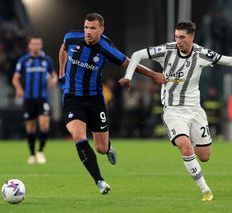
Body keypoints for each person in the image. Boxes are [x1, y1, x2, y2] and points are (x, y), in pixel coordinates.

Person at [119, 21, 232, 201]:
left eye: (182, 37)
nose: (178, 41)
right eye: (176, 37)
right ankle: (206, 190)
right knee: (185, 146)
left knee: (204, 156)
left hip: (195, 110)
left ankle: (190, 146)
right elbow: (136, 55)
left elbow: (226, 60)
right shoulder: (167, 50)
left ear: (192, 37)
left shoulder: (201, 54)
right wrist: (128, 77)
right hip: (173, 111)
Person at [58, 13, 164, 195]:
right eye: (86, 27)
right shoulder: (71, 38)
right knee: (79, 136)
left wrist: (154, 75)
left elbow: (131, 64)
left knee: (100, 147)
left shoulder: (106, 49)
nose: (88, 32)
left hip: (95, 101)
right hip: (72, 98)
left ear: (101, 29)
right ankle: (99, 181)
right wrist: (61, 72)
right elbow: (62, 49)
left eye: (92, 28)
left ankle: (108, 148)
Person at [12, 36, 58, 165]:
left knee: (44, 125)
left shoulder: (46, 60)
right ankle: (32, 154)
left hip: (42, 98)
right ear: (29, 46)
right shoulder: (24, 60)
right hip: (28, 99)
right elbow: (15, 78)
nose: (36, 46)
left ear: (41, 45)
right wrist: (19, 89)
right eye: (34, 43)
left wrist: (54, 79)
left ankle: (40, 151)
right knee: (31, 128)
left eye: (38, 43)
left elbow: (53, 74)